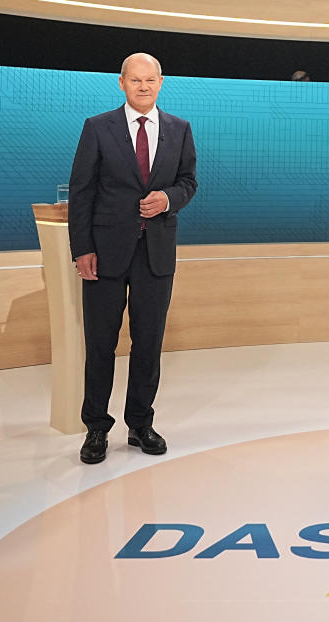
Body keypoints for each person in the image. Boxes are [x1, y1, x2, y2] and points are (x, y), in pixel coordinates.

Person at [68, 52, 198, 464]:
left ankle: (140, 424)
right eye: (135, 80)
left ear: (162, 82)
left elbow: (188, 181)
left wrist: (168, 199)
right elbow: (82, 191)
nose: (144, 86)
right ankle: (95, 429)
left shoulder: (179, 129)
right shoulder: (97, 128)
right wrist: (82, 249)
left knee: (148, 344)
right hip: (105, 254)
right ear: (121, 83)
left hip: (156, 254)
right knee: (101, 345)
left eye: (151, 80)